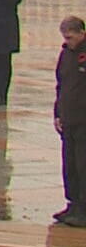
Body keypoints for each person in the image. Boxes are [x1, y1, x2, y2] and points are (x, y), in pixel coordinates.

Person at [54, 18, 86, 227]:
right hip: (68, 118)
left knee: (83, 165)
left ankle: (84, 208)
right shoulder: (66, 54)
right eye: (65, 38)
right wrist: (58, 114)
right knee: (70, 165)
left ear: (82, 33)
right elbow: (61, 85)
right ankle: (73, 204)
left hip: (83, 120)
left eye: (71, 37)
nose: (68, 42)